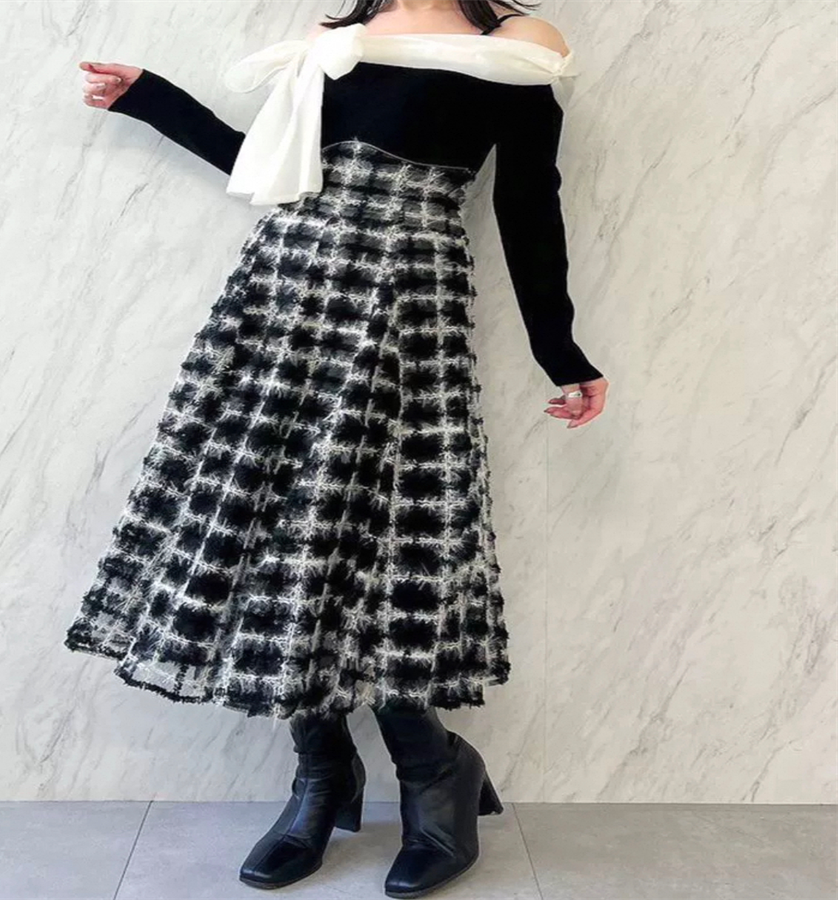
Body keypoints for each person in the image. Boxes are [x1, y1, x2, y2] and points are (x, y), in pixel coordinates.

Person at [65, 1, 609, 896]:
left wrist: (562, 350)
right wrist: (153, 99)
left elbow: (525, 200)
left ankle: (433, 770)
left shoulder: (516, 46)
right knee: (271, 536)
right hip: (283, 294)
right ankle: (322, 777)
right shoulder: (334, 41)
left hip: (406, 303)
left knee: (396, 550)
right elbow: (271, 166)